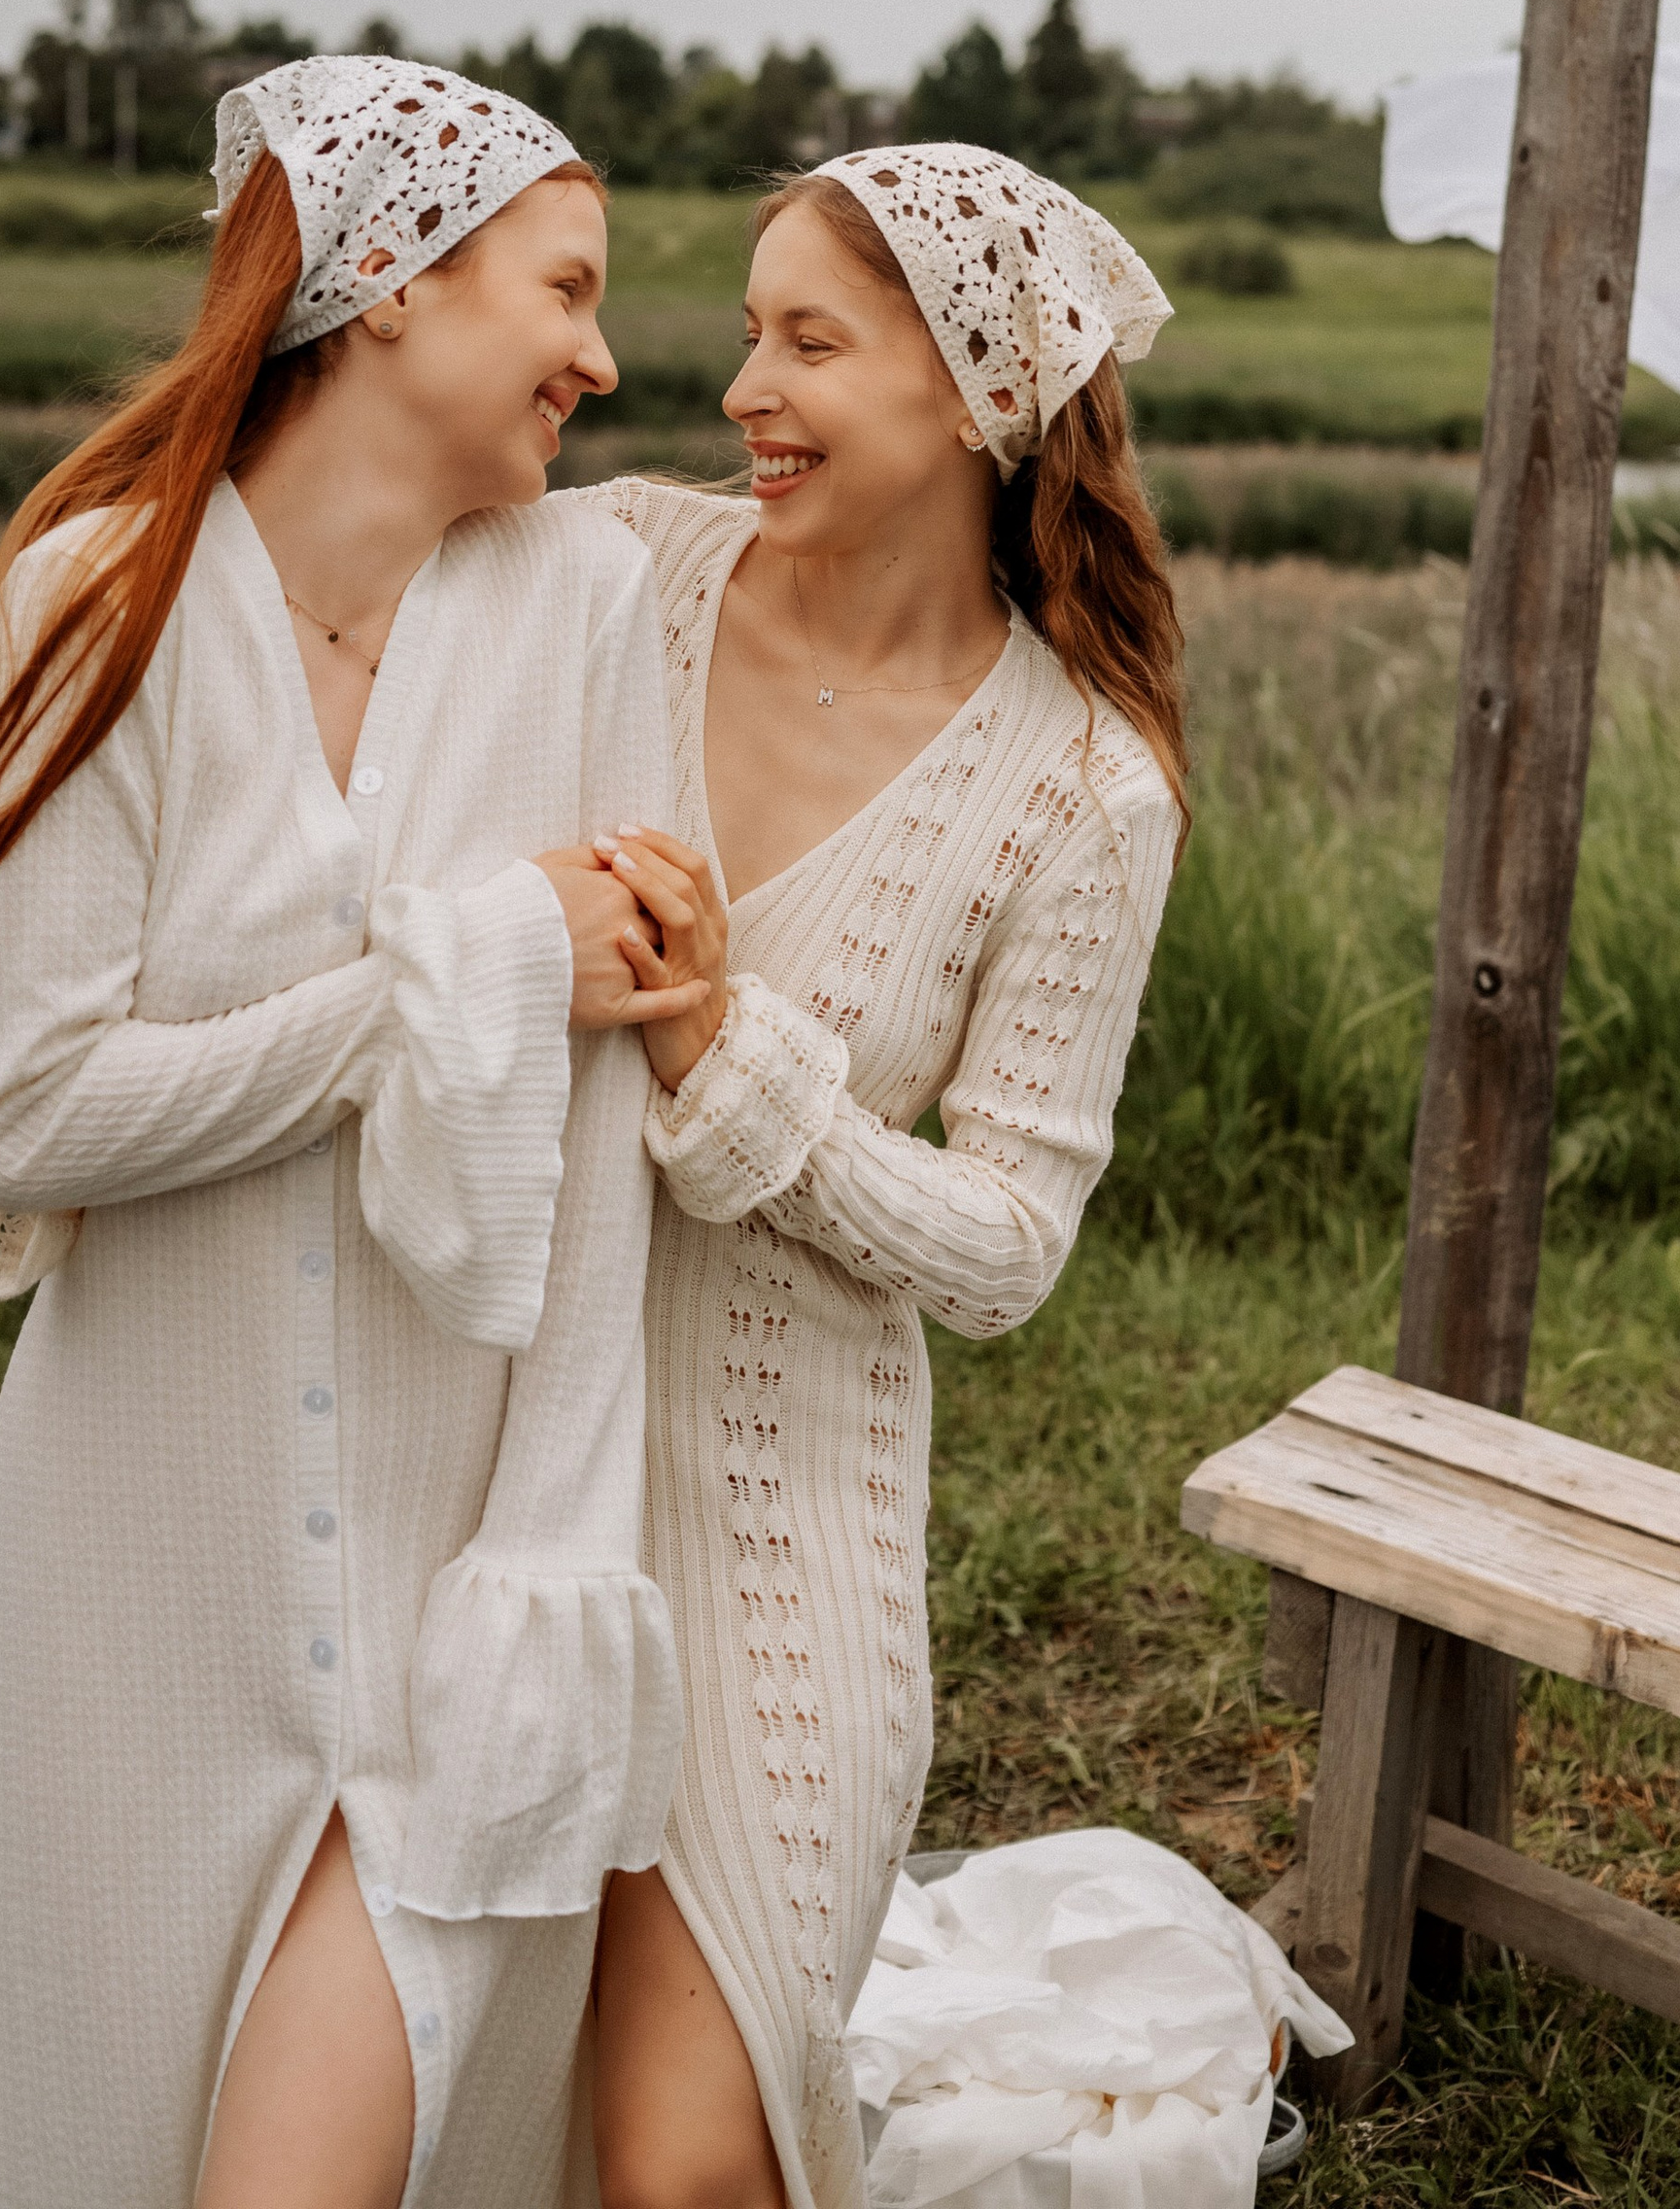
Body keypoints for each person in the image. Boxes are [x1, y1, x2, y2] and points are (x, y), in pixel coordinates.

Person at [0, 56, 720, 2209]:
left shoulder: (583, 607)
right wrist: (450, 975)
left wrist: (548, 1561)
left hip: (461, 1555)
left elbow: (607, 1129)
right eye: (560, 288)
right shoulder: (95, 597)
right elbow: (32, 1108)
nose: (602, 353)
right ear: (388, 289)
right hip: (142, 1569)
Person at [581, 143, 1188, 2209]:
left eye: (808, 341)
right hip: (468, 1480)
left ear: (976, 390)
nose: (742, 385)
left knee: (686, 2170)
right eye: (747, 330)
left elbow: (1008, 1247)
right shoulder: (616, 572)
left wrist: (718, 1054)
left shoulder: (1079, 789)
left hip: (773, 1539)